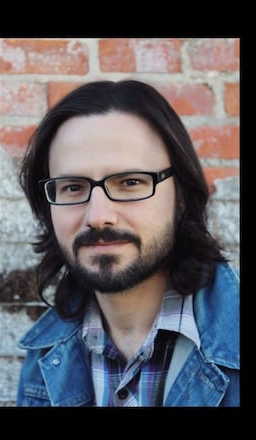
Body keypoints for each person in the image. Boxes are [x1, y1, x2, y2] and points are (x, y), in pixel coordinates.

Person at [15, 79, 239, 407]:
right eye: (73, 187)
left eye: (131, 182)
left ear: (181, 195)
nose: (98, 216)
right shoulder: (44, 358)